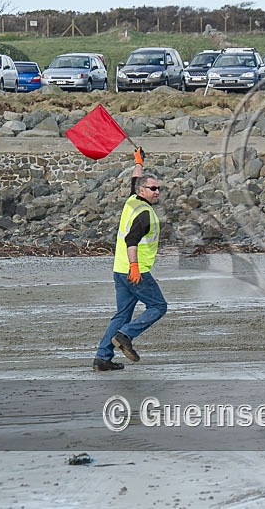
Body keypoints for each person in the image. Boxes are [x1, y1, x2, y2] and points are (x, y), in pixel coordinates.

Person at [93, 147, 167, 371]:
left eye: (159, 189)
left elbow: (134, 180)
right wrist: (135, 267)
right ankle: (125, 335)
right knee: (158, 306)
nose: (157, 192)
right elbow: (131, 240)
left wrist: (138, 162)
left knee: (122, 314)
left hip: (119, 269)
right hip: (136, 271)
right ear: (143, 190)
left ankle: (102, 358)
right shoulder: (144, 213)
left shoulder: (132, 200)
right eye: (153, 189)